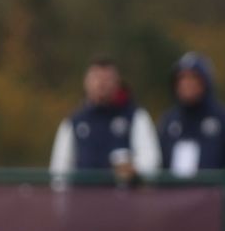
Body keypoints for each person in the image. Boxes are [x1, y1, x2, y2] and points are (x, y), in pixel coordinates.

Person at [49, 56, 160, 185]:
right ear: (86, 82)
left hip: (124, 201)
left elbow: (151, 159)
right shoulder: (73, 121)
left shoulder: (136, 116)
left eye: (107, 79)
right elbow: (60, 169)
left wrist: (135, 169)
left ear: (117, 82)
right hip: (83, 200)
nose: (101, 84)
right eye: (96, 77)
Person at [158, 52, 225, 177]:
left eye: (193, 78)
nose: (186, 84)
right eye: (182, 78)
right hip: (174, 195)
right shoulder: (169, 121)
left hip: (215, 194)